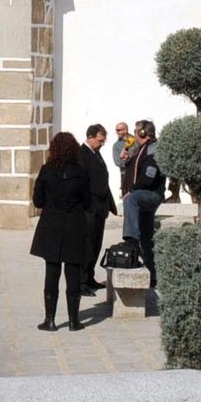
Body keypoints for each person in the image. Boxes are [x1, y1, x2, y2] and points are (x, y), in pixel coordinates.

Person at [31, 132, 91, 331]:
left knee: (52, 271)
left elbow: (38, 201)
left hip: (52, 224)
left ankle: (50, 319)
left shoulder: (46, 171)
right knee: (73, 271)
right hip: (74, 225)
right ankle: (74, 320)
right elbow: (87, 202)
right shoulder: (81, 172)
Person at [121, 120, 166, 287]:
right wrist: (126, 161)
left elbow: (148, 177)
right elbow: (135, 171)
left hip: (150, 194)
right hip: (144, 193)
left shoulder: (153, 149)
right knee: (147, 236)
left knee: (131, 200)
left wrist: (132, 190)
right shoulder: (140, 150)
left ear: (143, 133)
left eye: (136, 130)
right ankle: (152, 275)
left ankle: (131, 239)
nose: (134, 133)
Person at [78, 124, 117, 296]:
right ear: (90, 137)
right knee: (86, 245)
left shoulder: (95, 152)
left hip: (100, 207)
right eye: (100, 140)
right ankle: (81, 281)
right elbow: (84, 182)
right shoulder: (82, 154)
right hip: (90, 207)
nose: (102, 144)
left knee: (96, 244)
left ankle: (90, 277)